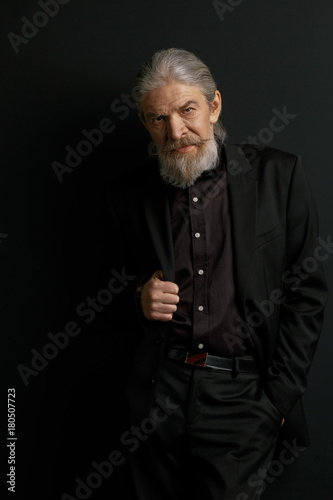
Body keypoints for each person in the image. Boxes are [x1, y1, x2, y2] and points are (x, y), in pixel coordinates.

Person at [97, 48, 327, 500]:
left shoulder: (279, 175)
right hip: (157, 397)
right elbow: (99, 293)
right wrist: (135, 299)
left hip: (243, 398)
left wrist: (277, 399)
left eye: (187, 110)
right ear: (146, 124)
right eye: (157, 118)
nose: (176, 131)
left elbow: (307, 294)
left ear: (214, 105)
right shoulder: (126, 195)